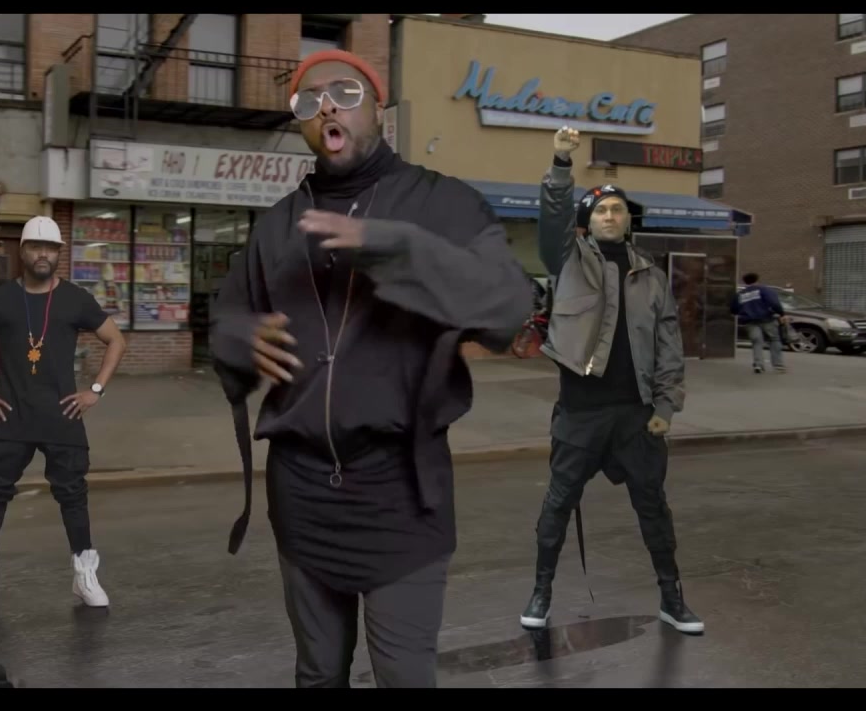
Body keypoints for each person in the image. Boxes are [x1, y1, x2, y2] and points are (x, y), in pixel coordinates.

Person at [209, 49, 535, 688]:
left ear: (379, 108)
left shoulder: (441, 202)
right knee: (317, 674)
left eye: (346, 92)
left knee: (403, 675)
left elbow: (507, 307)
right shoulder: (276, 225)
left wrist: (399, 248)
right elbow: (227, 319)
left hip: (400, 492)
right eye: (309, 101)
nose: (327, 106)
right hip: (301, 494)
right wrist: (238, 340)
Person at [520, 126, 703, 635]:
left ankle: (672, 598)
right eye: (600, 210)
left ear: (627, 219)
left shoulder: (652, 276)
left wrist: (665, 406)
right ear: (588, 221)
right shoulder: (567, 261)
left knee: (654, 509)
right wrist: (561, 163)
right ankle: (540, 593)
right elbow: (553, 216)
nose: (609, 216)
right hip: (580, 413)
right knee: (557, 506)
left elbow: (669, 346)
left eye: (617, 209)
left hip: (637, 415)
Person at [0, 216, 127, 608]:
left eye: (50, 248)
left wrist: (95, 390)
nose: (42, 254)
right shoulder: (0, 298)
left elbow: (115, 340)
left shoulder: (76, 298)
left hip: (62, 414)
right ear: (22, 251)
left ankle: (84, 574)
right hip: (10, 415)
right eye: (35, 247)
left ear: (59, 253)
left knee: (73, 493)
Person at [731, 272, 787, 373]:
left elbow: (734, 309)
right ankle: (778, 365)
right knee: (774, 339)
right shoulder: (764, 290)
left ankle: (758, 364)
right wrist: (781, 314)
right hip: (767, 319)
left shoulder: (740, 294)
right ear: (757, 280)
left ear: (745, 282)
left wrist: (743, 313)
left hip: (749, 321)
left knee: (757, 342)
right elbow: (774, 303)